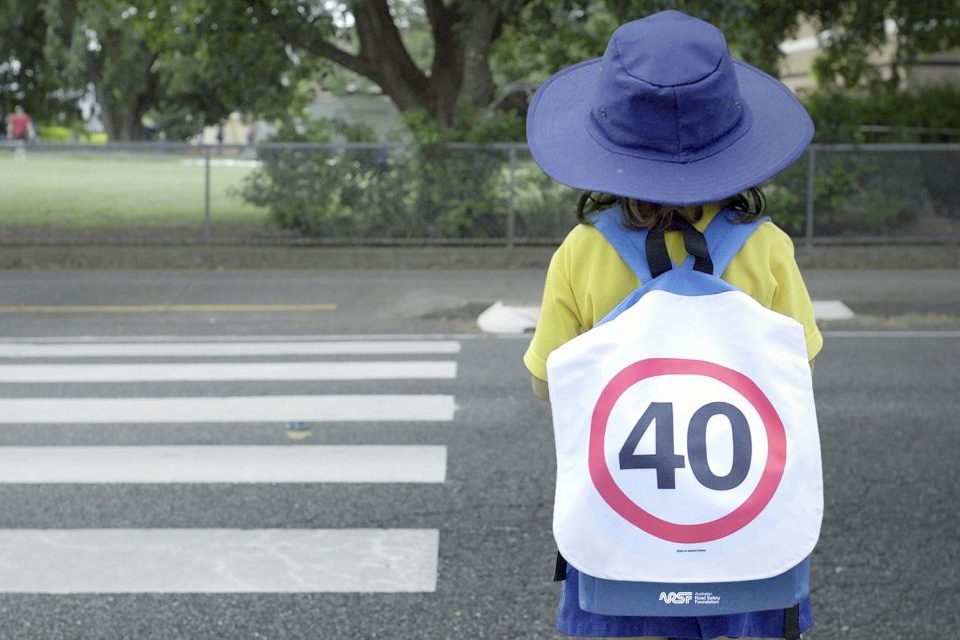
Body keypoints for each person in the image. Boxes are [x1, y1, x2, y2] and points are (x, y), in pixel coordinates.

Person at [522, 10, 822, 640]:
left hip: (621, 539)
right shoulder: (769, 248)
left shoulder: (579, 252)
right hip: (749, 537)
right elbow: (798, 371)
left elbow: (552, 385)